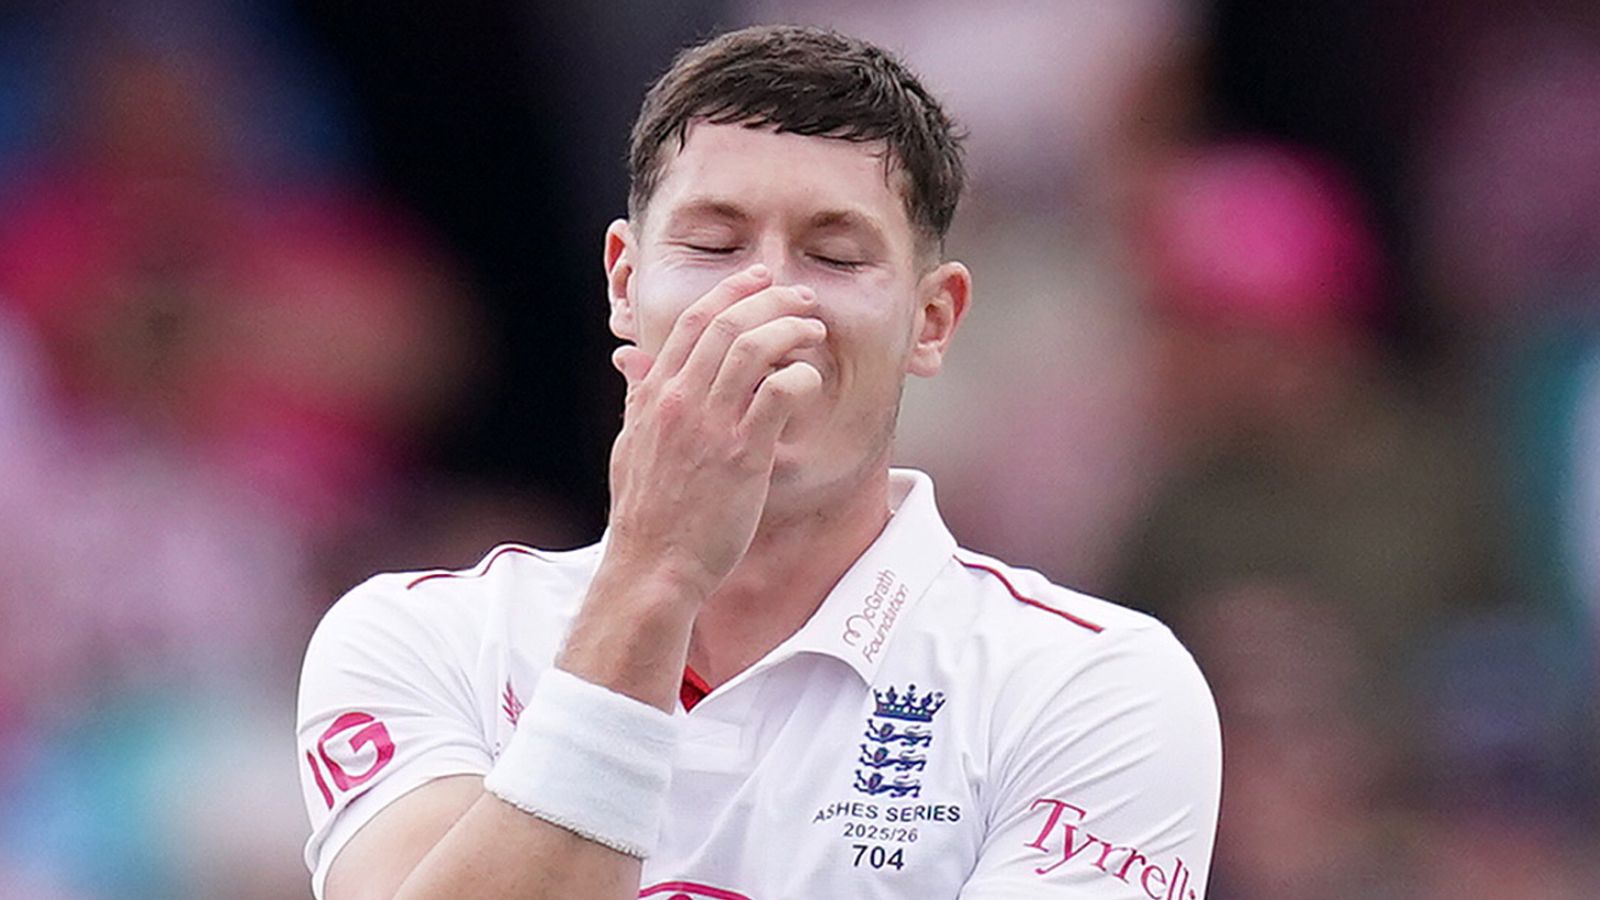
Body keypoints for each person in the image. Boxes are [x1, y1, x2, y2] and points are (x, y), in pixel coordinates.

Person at [296, 24, 1220, 900]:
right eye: (712, 244)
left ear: (932, 321)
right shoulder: (424, 638)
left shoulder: (1092, 683)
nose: (769, 296)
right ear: (624, 282)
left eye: (834, 253)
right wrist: (655, 573)